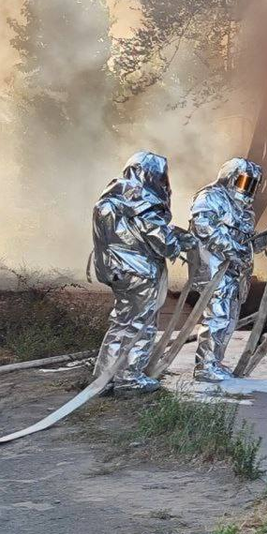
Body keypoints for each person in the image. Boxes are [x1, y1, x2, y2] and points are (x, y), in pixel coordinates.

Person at [91, 151, 193, 393]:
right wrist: (180, 243)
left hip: (117, 272)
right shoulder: (143, 201)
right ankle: (129, 378)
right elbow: (162, 243)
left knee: (121, 323)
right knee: (142, 325)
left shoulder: (111, 200)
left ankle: (104, 378)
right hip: (141, 273)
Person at [188, 158, 267, 382]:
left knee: (228, 320)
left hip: (236, 275)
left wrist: (263, 240)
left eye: (253, 184)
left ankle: (214, 361)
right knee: (217, 317)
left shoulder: (245, 210)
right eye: (245, 181)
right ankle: (205, 366)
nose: (248, 189)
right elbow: (203, 226)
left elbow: (245, 245)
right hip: (214, 269)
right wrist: (231, 248)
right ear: (230, 177)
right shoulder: (211, 196)